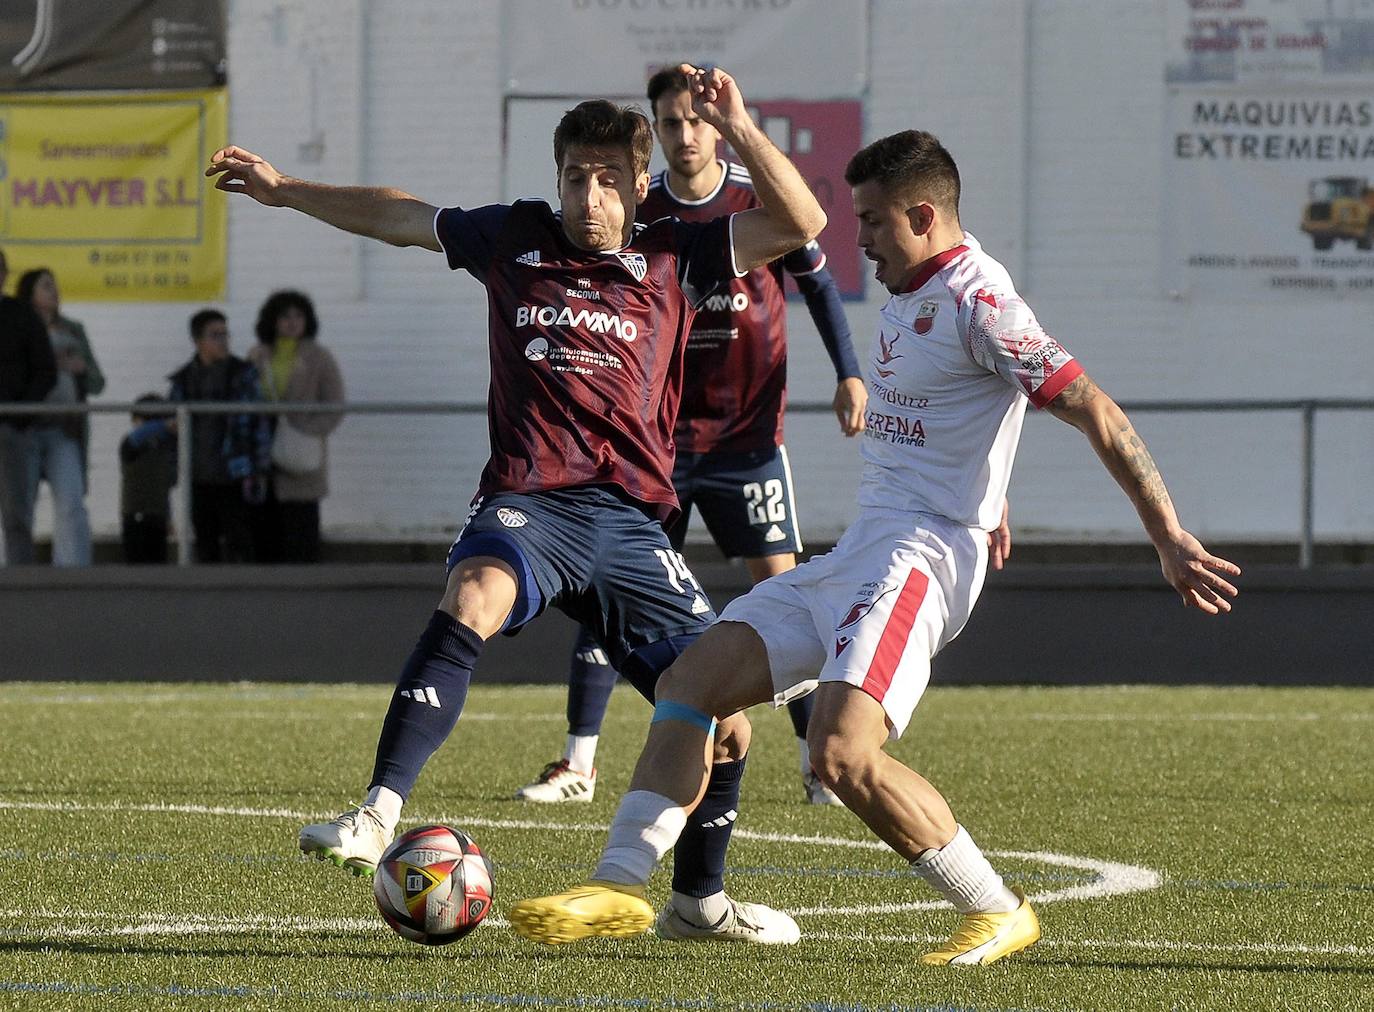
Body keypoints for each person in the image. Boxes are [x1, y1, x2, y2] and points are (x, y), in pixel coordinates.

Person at [510, 129, 1242, 961]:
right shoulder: (918, 286)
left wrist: (1167, 535)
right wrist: (993, 492)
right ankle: (616, 885)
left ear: (924, 216)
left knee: (839, 752)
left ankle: (998, 907)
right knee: (693, 678)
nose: (858, 243)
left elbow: (1096, 411)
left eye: (872, 223)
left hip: (921, 562)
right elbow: (969, 412)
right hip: (866, 548)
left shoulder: (979, 301)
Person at [207, 63, 827, 944]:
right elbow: (397, 215)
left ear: (639, 185)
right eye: (576, 175)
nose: (589, 194)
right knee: (471, 599)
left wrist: (743, 125)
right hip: (528, 502)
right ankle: (377, 816)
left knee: (726, 724)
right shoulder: (515, 237)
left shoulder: (677, 252)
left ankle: (700, 903)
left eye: (609, 178)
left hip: (625, 521)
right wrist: (283, 190)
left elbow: (804, 223)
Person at [515, 67, 866, 810]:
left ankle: (813, 762)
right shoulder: (640, 206)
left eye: (694, 122)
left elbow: (820, 278)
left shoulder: (750, 198)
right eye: (669, 123)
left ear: (716, 124)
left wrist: (850, 373)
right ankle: (579, 760)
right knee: (607, 589)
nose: (684, 136)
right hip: (660, 445)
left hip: (747, 438)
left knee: (783, 592)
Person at [248, 290, 345, 563]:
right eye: (285, 316)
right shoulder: (259, 355)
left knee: (301, 525)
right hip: (264, 451)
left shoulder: (319, 357)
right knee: (267, 529)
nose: (292, 322)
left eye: (298, 316)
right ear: (272, 320)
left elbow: (335, 403)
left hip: (301, 451)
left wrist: (308, 430)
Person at [167, 309, 271, 563]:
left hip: (235, 473)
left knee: (241, 540)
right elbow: (171, 424)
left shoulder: (243, 375)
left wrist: (260, 467)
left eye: (226, 334)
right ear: (197, 340)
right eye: (215, 335)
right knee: (205, 541)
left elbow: (261, 423)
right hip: (198, 474)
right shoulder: (183, 380)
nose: (223, 341)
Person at [15, 268, 103, 567]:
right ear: (29, 294)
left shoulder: (73, 330)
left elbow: (98, 383)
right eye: (46, 286)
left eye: (55, 286)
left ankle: (73, 572)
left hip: (63, 430)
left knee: (71, 503)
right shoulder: (16, 326)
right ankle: (17, 570)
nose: (55, 292)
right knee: (19, 505)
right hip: (23, 428)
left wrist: (80, 368)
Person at [0, 249, 58, 565]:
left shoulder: (21, 315)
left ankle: (18, 582)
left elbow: (45, 371)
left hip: (10, 426)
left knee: (16, 512)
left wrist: (20, 415)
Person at [119, 394, 177, 564]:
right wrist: (165, 425)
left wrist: (169, 517)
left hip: (158, 515)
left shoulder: (166, 448)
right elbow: (138, 437)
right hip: (133, 515)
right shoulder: (130, 445)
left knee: (158, 564)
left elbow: (167, 485)